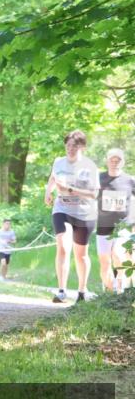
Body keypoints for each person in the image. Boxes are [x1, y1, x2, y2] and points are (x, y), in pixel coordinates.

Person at [44, 130, 100, 303]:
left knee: (80, 255)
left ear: (82, 147)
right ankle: (62, 291)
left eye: (74, 146)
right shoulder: (58, 162)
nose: (70, 149)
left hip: (84, 213)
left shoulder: (90, 166)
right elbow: (53, 178)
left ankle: (82, 291)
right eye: (67, 145)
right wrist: (48, 192)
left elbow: (94, 194)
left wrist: (70, 189)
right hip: (62, 209)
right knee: (63, 246)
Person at [96, 149, 134, 293]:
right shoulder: (99, 179)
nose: (115, 162)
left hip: (123, 226)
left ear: (122, 162)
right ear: (107, 161)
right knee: (105, 262)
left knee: (119, 254)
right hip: (103, 226)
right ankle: (110, 293)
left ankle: (121, 289)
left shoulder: (130, 180)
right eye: (112, 159)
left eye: (118, 160)